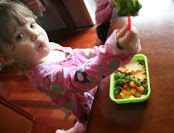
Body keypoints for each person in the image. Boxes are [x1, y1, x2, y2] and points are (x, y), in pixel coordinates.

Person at [0, 0, 141, 133]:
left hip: (98, 85)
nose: (35, 34)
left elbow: (81, 55)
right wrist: (114, 53)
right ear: (6, 57)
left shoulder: (50, 47)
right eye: (20, 36)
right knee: (89, 126)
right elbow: (78, 79)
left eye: (32, 25)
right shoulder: (43, 75)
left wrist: (107, 48)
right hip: (89, 105)